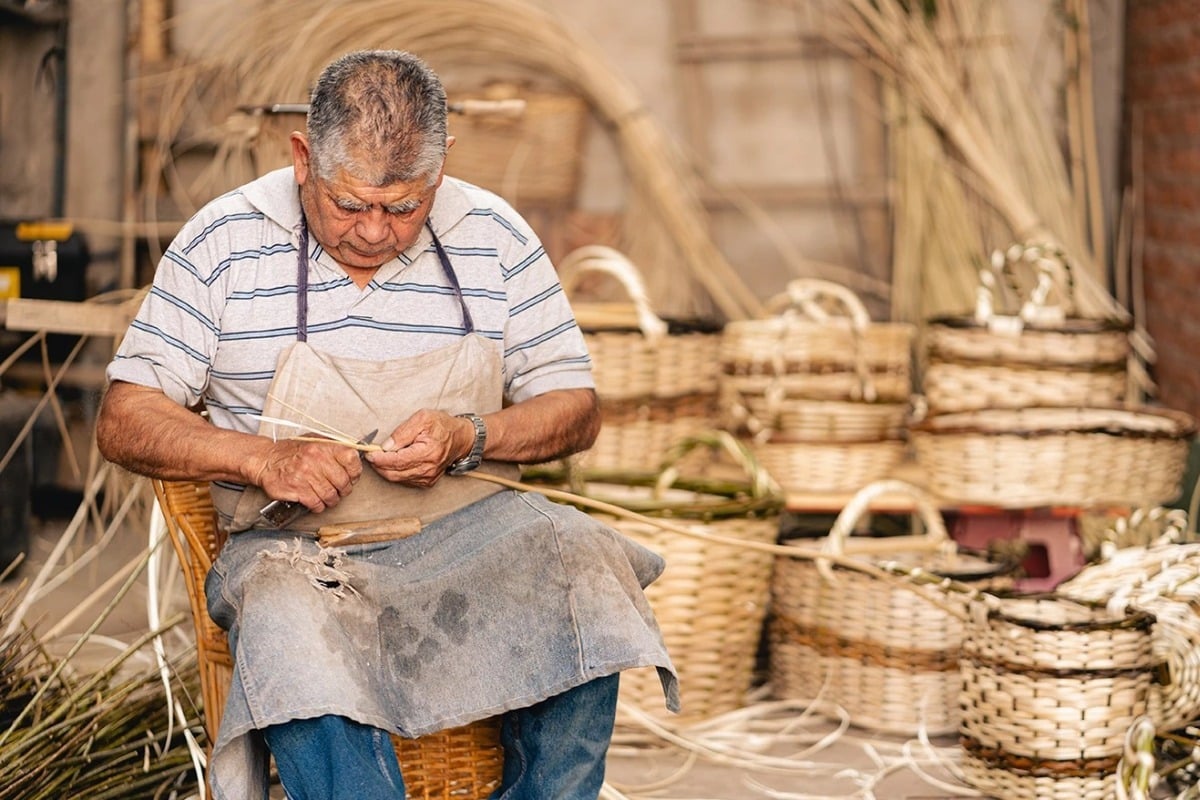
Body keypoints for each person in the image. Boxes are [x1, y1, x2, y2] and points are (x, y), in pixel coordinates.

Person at [96, 49, 678, 800]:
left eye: (405, 207)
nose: (376, 233)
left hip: (470, 539)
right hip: (297, 551)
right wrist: (261, 458)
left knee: (584, 560)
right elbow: (124, 415)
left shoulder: (495, 236)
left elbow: (575, 408)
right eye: (350, 204)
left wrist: (471, 435)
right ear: (303, 157)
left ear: (441, 171)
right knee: (283, 617)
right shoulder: (224, 243)